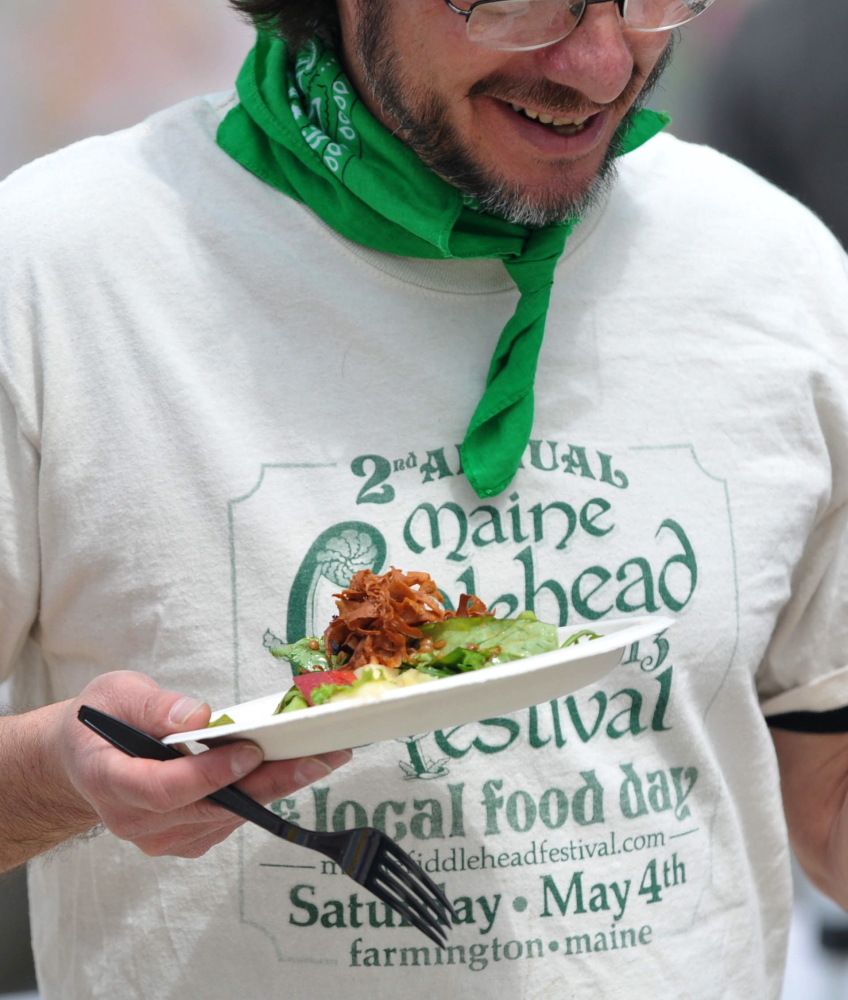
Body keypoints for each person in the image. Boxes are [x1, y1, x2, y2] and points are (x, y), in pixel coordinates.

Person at [0, 0, 847, 997]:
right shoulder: (56, 270)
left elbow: (826, 784)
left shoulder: (772, 269)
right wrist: (66, 775)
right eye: (521, 0)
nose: (599, 63)